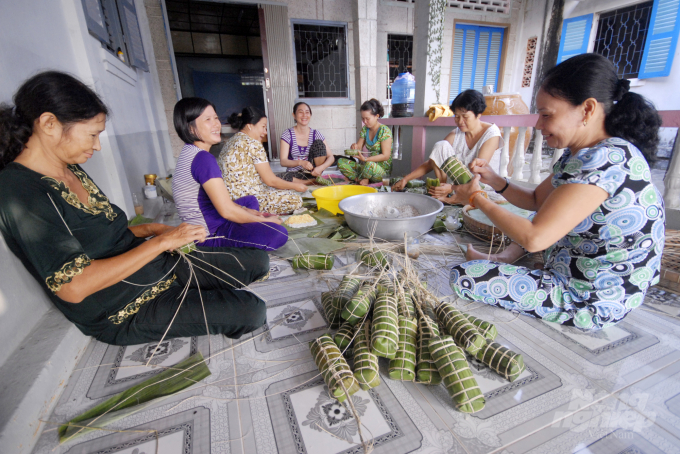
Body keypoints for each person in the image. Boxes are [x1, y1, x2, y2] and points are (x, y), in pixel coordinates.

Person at [0, 72, 271, 346]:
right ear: (49, 123)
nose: (96, 145)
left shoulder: (69, 168)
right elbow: (73, 287)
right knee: (251, 311)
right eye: (93, 134)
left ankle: (194, 288)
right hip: (121, 304)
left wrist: (155, 229)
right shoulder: (20, 190)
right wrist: (162, 242)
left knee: (257, 262)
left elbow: (103, 234)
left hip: (151, 265)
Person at [449, 54, 664, 331]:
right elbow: (536, 200)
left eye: (546, 115)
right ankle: (516, 263)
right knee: (543, 216)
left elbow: (535, 237)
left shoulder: (606, 161)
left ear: (587, 109)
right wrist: (494, 180)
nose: (539, 125)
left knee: (464, 276)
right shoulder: (582, 154)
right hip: (577, 271)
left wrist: (475, 198)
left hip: (592, 297)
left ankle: (548, 289)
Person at [172, 97, 288, 251]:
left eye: (216, 118)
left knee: (250, 202)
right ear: (191, 128)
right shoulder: (203, 159)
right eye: (208, 119)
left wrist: (250, 213)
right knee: (278, 233)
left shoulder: (189, 152)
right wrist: (265, 221)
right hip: (209, 236)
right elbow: (226, 211)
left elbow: (221, 202)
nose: (216, 124)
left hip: (212, 219)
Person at [393, 89, 502, 204]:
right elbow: (432, 161)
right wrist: (405, 179)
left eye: (465, 117)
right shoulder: (457, 133)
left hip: (481, 190)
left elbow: (478, 174)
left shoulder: (491, 134)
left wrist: (452, 188)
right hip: (457, 188)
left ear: (478, 114)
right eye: (457, 116)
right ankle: (444, 190)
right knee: (441, 145)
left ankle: (450, 193)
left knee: (476, 186)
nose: (460, 121)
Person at [219, 107, 306, 214]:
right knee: (295, 199)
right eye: (263, 127)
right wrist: (296, 186)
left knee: (283, 184)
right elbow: (270, 180)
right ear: (250, 126)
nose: (265, 132)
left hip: (230, 199)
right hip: (248, 201)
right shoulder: (253, 144)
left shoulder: (230, 141)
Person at [337, 99, 393, 186]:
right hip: (367, 167)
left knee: (369, 164)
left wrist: (366, 159)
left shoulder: (385, 131)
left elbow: (386, 156)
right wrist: (354, 147)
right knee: (341, 161)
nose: (364, 121)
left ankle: (361, 179)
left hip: (380, 171)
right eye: (363, 118)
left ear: (377, 116)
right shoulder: (365, 129)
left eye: (367, 118)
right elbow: (358, 147)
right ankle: (360, 179)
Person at [278, 102, 335, 184]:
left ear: (310, 115)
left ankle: (316, 178)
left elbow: (331, 157)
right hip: (293, 174)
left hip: (312, 173)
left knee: (319, 143)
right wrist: (301, 162)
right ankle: (310, 182)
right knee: (279, 177)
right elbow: (283, 161)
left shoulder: (316, 134)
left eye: (307, 112)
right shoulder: (287, 134)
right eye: (300, 112)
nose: (304, 115)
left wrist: (320, 168)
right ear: (294, 115)